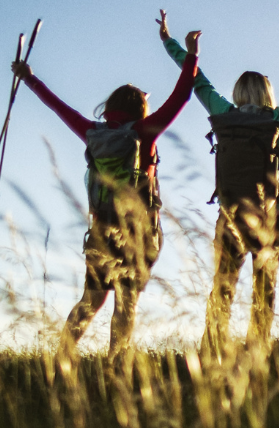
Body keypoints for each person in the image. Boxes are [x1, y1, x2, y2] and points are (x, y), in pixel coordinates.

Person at [158, 10, 279, 352]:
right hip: (268, 216)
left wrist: (174, 45)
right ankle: (256, 352)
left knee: (223, 288)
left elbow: (197, 81)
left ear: (239, 92)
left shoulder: (222, 114)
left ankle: (211, 349)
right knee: (264, 290)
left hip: (229, 214)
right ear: (267, 94)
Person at [13, 31, 201, 360]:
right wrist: (192, 56)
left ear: (110, 108)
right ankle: (114, 368)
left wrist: (30, 80)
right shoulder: (145, 133)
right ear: (140, 108)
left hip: (101, 231)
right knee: (126, 304)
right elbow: (182, 96)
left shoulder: (92, 133)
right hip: (139, 234)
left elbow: (58, 107)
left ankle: (61, 360)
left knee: (91, 300)